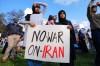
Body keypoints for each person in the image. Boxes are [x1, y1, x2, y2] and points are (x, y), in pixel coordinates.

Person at [19, 2, 47, 66]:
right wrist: (29, 22)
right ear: (33, 8)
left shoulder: (41, 14)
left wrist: (38, 3)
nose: (37, 8)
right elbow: (20, 21)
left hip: (39, 37)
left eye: (38, 7)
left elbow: (46, 5)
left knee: (39, 54)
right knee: (30, 54)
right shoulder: (29, 16)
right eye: (36, 7)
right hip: (30, 38)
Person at [87, 0, 100, 66]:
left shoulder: (98, 15)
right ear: (91, 9)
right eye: (94, 8)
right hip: (95, 32)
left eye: (96, 8)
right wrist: (92, 1)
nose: (96, 9)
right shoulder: (90, 16)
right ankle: (97, 63)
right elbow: (88, 7)